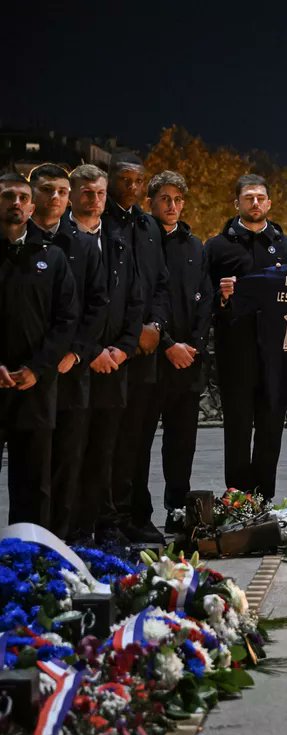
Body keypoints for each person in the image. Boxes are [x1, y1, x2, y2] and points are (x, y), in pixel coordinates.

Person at [205, 174, 287, 501]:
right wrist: (222, 296)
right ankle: (237, 499)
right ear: (237, 203)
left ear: (270, 203)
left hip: (276, 356)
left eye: (260, 197)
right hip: (236, 356)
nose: (255, 203)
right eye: (249, 198)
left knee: (272, 430)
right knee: (237, 429)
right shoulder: (217, 247)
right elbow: (203, 299)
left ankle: (263, 498)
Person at [28, 165, 106, 539]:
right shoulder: (17, 241)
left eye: (61, 191)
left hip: (71, 371)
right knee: (31, 468)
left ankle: (59, 542)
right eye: (48, 190)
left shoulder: (85, 244)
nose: (55, 198)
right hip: (27, 371)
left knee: (67, 463)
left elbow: (96, 305)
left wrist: (75, 353)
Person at [68, 165, 143, 542]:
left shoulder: (117, 238)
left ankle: (103, 525)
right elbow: (68, 308)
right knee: (72, 452)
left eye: (99, 193)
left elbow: (134, 297)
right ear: (72, 194)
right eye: (87, 192)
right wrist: (90, 350)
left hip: (115, 362)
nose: (95, 200)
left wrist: (124, 348)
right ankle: (73, 530)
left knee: (106, 452)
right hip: (77, 365)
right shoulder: (61, 240)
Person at [0, 173, 78, 525]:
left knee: (34, 483)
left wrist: (37, 367)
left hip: (36, 386)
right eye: (7, 196)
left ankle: (30, 561)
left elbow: (66, 320)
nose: (15, 203)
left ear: (31, 207)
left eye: (21, 197)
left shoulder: (54, 257)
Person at [105, 153, 170, 542]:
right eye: (125, 180)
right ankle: (106, 519)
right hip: (114, 352)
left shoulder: (148, 226)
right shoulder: (101, 222)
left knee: (140, 439)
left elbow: (159, 284)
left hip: (146, 350)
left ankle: (134, 514)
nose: (132, 187)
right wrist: (131, 336)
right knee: (109, 440)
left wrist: (157, 327)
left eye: (137, 181)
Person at [148, 171, 212, 531]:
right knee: (137, 443)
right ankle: (134, 513)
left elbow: (206, 301)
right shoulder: (141, 239)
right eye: (164, 199)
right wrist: (169, 345)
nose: (172, 206)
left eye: (177, 199)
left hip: (188, 360)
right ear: (151, 203)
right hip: (152, 359)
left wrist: (194, 347)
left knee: (181, 444)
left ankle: (176, 510)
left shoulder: (195, 245)